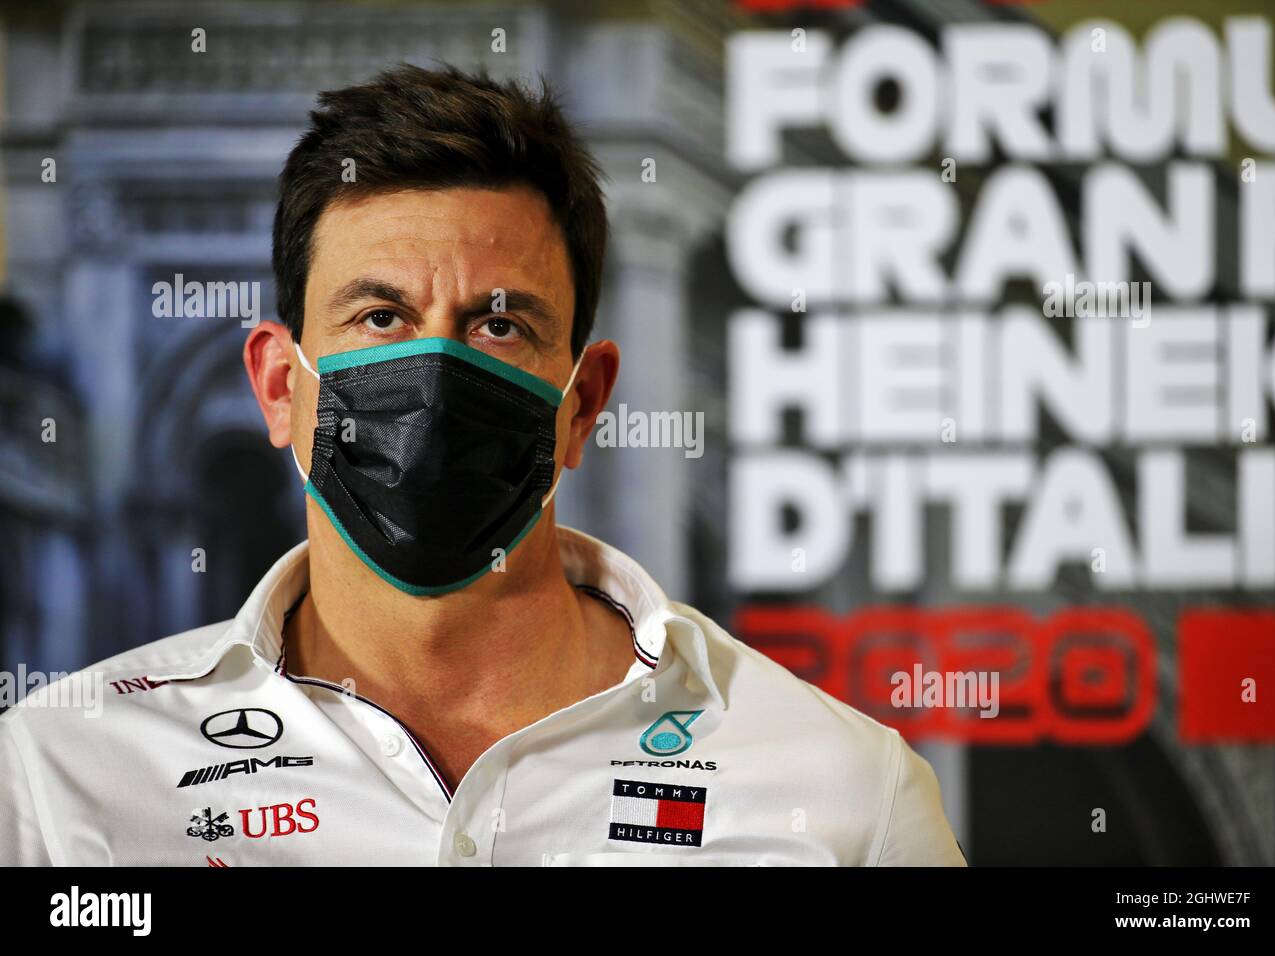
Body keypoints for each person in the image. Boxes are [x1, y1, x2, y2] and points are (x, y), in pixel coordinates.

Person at [0, 64, 965, 866]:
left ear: (581, 403)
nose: (435, 370)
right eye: (379, 317)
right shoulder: (58, 781)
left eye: (499, 324)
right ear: (279, 387)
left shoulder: (842, 796)